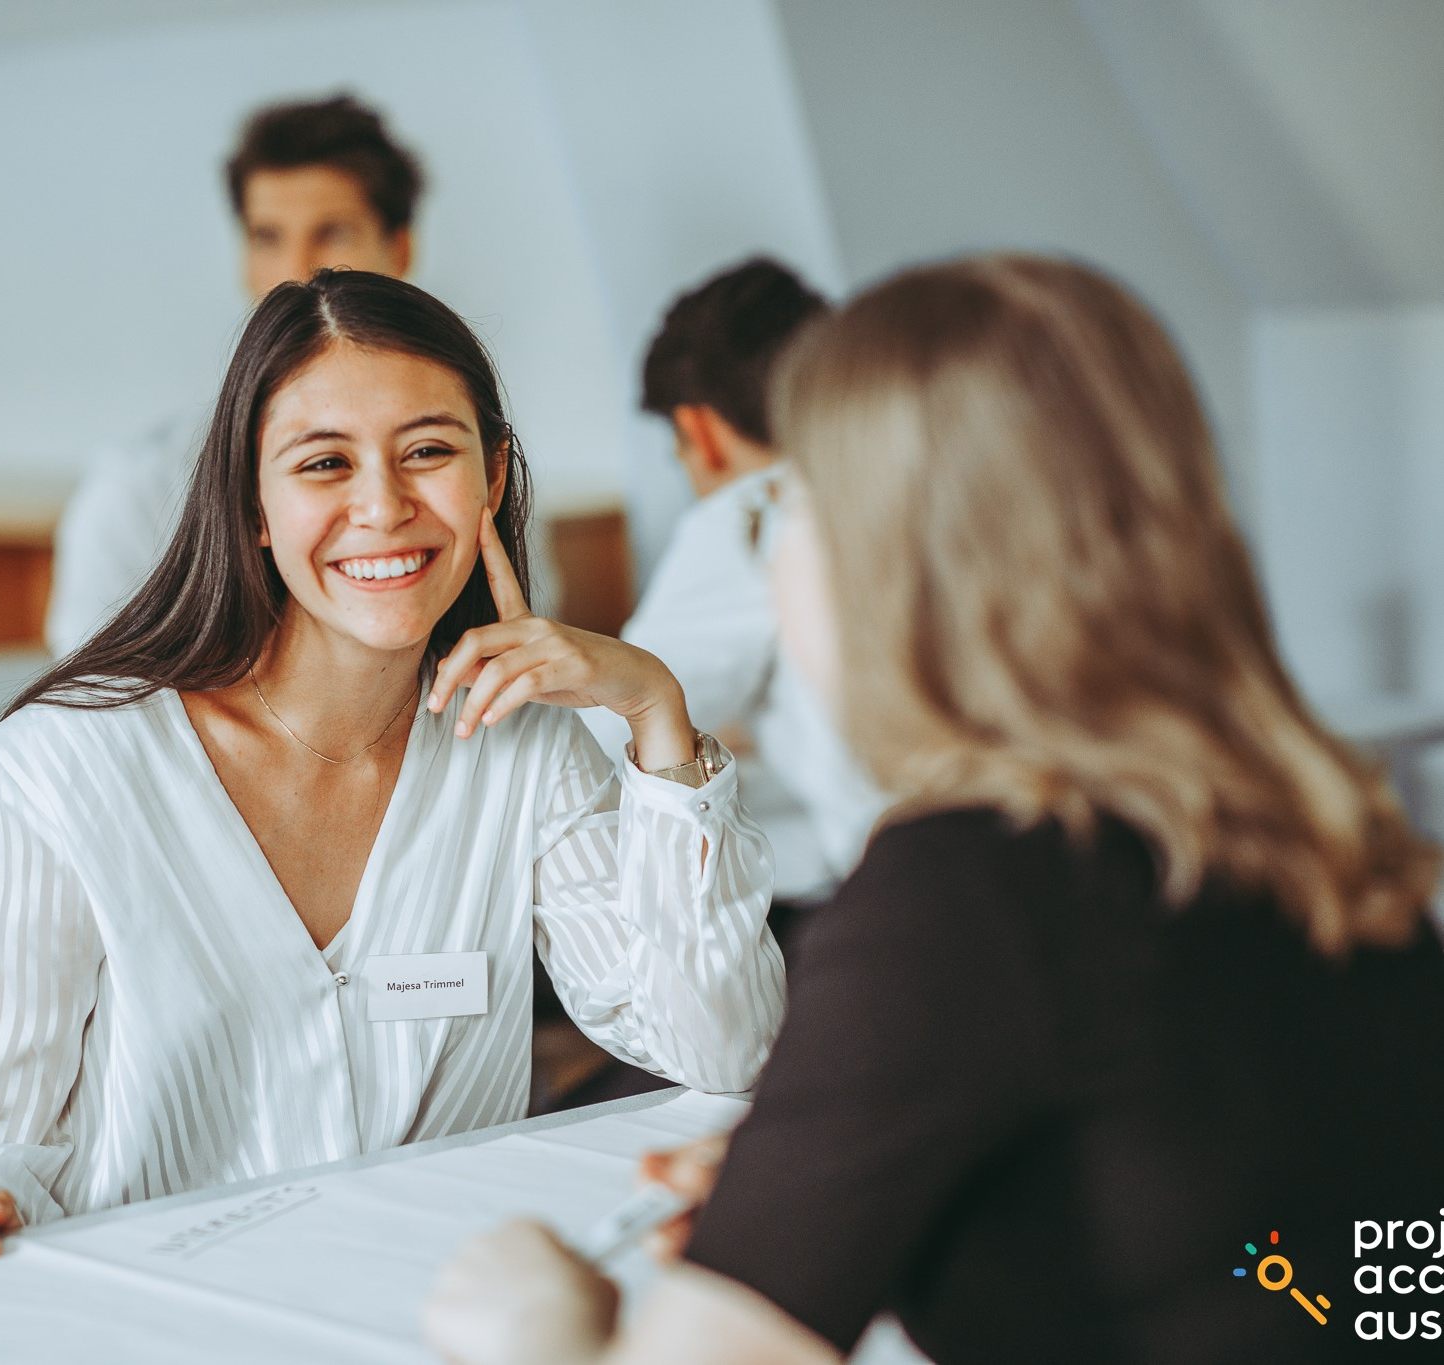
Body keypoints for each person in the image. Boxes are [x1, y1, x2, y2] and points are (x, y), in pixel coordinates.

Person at [424, 254, 1444, 1364]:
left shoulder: (961, 894)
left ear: (892, 562)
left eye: (791, 510)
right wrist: (973, 1197)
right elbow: (1341, 1283)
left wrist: (538, 1334)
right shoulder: (1341, 844)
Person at [0, 270, 784, 1268]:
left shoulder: (523, 748)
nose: (382, 507)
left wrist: (652, 709)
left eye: (427, 452)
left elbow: (724, 1050)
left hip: (427, 1316)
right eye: (323, 464)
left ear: (492, 480)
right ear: (250, 502)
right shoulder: (53, 773)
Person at [44, 94, 423, 654]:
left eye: (333, 233)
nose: (297, 273)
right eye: (267, 238)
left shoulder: (461, 479)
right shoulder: (136, 488)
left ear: (399, 251)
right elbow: (90, 699)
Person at [588, 258, 881, 914]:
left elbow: (612, 732)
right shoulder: (902, 477)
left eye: (680, 456)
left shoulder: (755, 510)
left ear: (701, 431)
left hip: (902, 882)